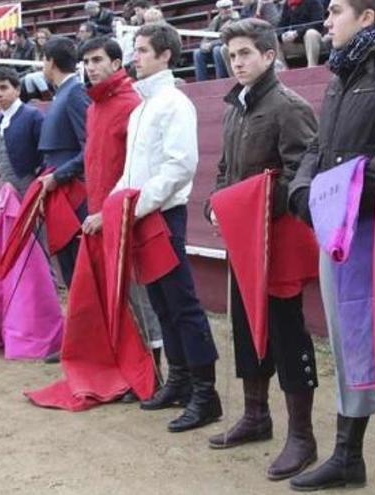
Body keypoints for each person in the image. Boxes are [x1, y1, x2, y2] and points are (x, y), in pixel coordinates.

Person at [286, 0, 375, 492]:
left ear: (367, 17)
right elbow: (316, 150)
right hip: (338, 234)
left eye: (335, 11)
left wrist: (333, 192)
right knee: (349, 346)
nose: (325, 23)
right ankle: (348, 456)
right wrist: (304, 192)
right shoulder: (340, 79)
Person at [205, 18, 320, 481]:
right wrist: (220, 205)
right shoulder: (237, 107)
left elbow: (301, 174)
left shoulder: (289, 106)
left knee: (287, 331)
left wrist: (243, 207)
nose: (237, 62)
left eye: (246, 53)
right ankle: (256, 415)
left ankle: (302, 437)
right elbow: (225, 169)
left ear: (270, 55)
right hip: (244, 237)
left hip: (278, 239)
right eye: (232, 55)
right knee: (245, 324)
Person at [106, 23, 222, 432]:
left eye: (141, 51)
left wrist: (134, 205)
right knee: (162, 302)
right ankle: (181, 380)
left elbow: (180, 166)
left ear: (165, 55)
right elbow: (130, 171)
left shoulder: (174, 102)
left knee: (182, 303)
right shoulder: (142, 108)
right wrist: (113, 204)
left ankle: (206, 393)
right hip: (142, 213)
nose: (134, 57)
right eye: (135, 50)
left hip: (161, 214)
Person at [78, 36, 165, 397]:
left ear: (117, 64)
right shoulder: (92, 108)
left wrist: (108, 210)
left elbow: (137, 170)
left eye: (98, 60)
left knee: (140, 295)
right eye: (86, 61)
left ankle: (154, 374)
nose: (91, 66)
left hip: (126, 214)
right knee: (123, 296)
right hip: (102, 214)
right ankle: (135, 369)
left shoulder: (132, 104)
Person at [37, 37, 91, 287]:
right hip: (61, 187)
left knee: (77, 264)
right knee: (70, 264)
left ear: (51, 62)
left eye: (43, 60)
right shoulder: (65, 93)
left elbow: (89, 146)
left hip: (72, 191)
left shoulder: (74, 93)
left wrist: (58, 176)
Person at [0, 68, 44, 197]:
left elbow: (45, 155)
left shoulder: (33, 115)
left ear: (17, 90)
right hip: (6, 186)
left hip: (30, 185)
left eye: (4, 88)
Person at [193, 0, 240, 82]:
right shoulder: (215, 20)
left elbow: (228, 38)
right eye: (224, 8)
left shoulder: (236, 20)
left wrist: (211, 44)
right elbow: (207, 36)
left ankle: (221, 80)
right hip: (213, 47)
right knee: (197, 53)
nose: (227, 10)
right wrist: (203, 45)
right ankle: (201, 82)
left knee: (217, 50)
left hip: (229, 49)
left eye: (228, 7)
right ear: (219, 10)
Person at [276, 0, 326, 68]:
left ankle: (312, 67)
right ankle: (283, 70)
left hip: (310, 41)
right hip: (292, 41)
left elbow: (318, 23)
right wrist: (282, 36)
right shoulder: (287, 4)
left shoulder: (314, 2)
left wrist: (297, 33)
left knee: (311, 33)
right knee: (273, 39)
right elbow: (281, 26)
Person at [22, 28, 53, 100]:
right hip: (39, 72)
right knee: (28, 77)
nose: (40, 40)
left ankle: (48, 97)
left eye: (43, 38)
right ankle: (33, 99)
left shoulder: (51, 48)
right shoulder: (35, 50)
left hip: (50, 72)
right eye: (38, 38)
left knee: (36, 76)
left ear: (47, 38)